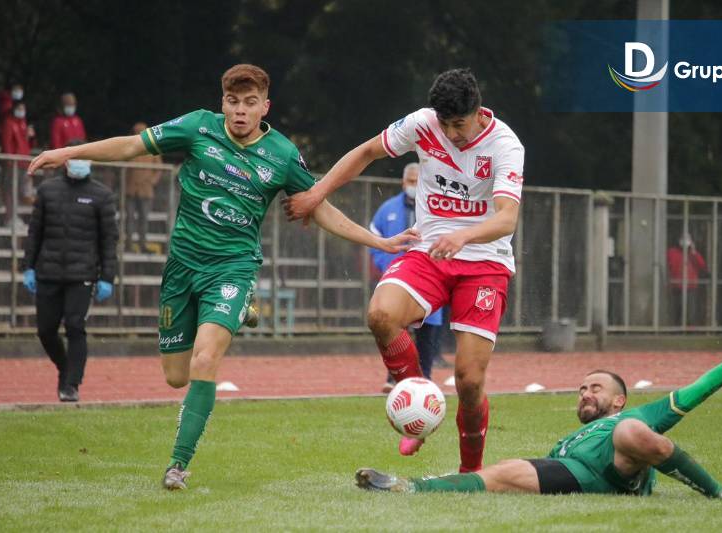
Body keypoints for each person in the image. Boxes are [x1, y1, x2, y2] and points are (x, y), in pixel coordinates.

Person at [26, 63, 418, 490]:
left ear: (265, 107)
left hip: (233, 267)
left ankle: (178, 464)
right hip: (182, 267)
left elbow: (317, 206)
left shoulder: (283, 155)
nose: (240, 111)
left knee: (205, 360)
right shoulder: (197, 127)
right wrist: (68, 153)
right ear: (223, 104)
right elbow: (131, 147)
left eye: (250, 103)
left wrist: (376, 242)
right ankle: (240, 312)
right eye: (233, 102)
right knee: (176, 376)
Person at [284, 68, 525, 472]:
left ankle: (471, 472)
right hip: (430, 251)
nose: (450, 133)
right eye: (444, 124)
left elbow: (507, 220)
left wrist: (464, 237)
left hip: (484, 262)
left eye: (459, 124)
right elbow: (364, 153)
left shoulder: (505, 145)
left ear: (478, 110)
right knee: (380, 314)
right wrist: (315, 193)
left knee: (468, 380)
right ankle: (417, 402)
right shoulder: (422, 124)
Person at [355, 320, 722, 500]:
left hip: (623, 466)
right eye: (582, 388)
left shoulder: (636, 416)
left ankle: (718, 493)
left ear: (619, 399)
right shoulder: (568, 441)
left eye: (595, 388)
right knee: (505, 471)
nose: (585, 393)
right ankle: (409, 487)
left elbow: (695, 391)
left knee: (630, 435)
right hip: (580, 472)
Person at [21, 143, 118, 402]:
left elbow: (109, 240)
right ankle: (65, 368)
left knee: (75, 327)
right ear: (65, 161)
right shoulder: (47, 191)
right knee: (45, 330)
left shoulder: (102, 196)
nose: (80, 163)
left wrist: (107, 277)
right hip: (48, 272)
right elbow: (35, 232)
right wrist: (28, 266)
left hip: (82, 275)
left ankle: (71, 384)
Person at [371, 162, 445, 391]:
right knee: (392, 326)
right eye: (410, 181)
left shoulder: (438, 208)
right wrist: (389, 267)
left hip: (429, 280)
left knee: (427, 333)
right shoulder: (387, 208)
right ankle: (394, 378)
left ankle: (426, 381)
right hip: (397, 280)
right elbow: (375, 241)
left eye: (417, 181)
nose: (413, 186)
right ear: (403, 182)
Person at [124, 122, 164, 252]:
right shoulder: (128, 147)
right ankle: (128, 244)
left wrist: (152, 181)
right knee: (129, 218)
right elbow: (121, 167)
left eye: (141, 132)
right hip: (130, 189)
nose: (138, 134)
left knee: (143, 219)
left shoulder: (153, 149)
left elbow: (159, 169)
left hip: (146, 190)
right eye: (136, 132)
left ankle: (142, 244)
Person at [0, 100, 36, 228]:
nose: (22, 111)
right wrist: (10, 161)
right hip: (13, 164)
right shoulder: (8, 123)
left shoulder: (24, 124)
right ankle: (10, 218)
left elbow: (28, 145)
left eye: (23, 108)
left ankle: (18, 217)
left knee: (23, 192)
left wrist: (31, 137)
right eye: (19, 108)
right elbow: (7, 143)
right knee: (11, 191)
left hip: (24, 162)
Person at [666, 232, 708, 326]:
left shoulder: (693, 254)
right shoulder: (672, 252)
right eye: (683, 238)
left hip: (690, 286)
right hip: (676, 286)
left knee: (690, 311)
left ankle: (690, 329)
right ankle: (676, 329)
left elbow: (702, 266)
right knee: (676, 310)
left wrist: (694, 252)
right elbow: (668, 265)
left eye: (687, 238)